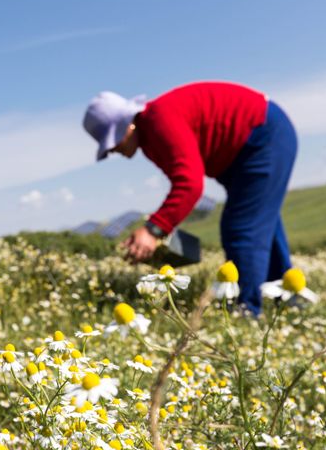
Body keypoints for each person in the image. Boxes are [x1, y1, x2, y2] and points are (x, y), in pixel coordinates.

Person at [82, 81, 297, 315]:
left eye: (113, 143)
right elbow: (183, 181)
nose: (113, 151)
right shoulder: (151, 137)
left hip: (263, 135)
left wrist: (153, 230)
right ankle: (287, 301)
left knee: (242, 229)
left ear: (127, 126)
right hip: (258, 139)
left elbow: (190, 185)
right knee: (260, 224)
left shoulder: (159, 122)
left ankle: (247, 310)